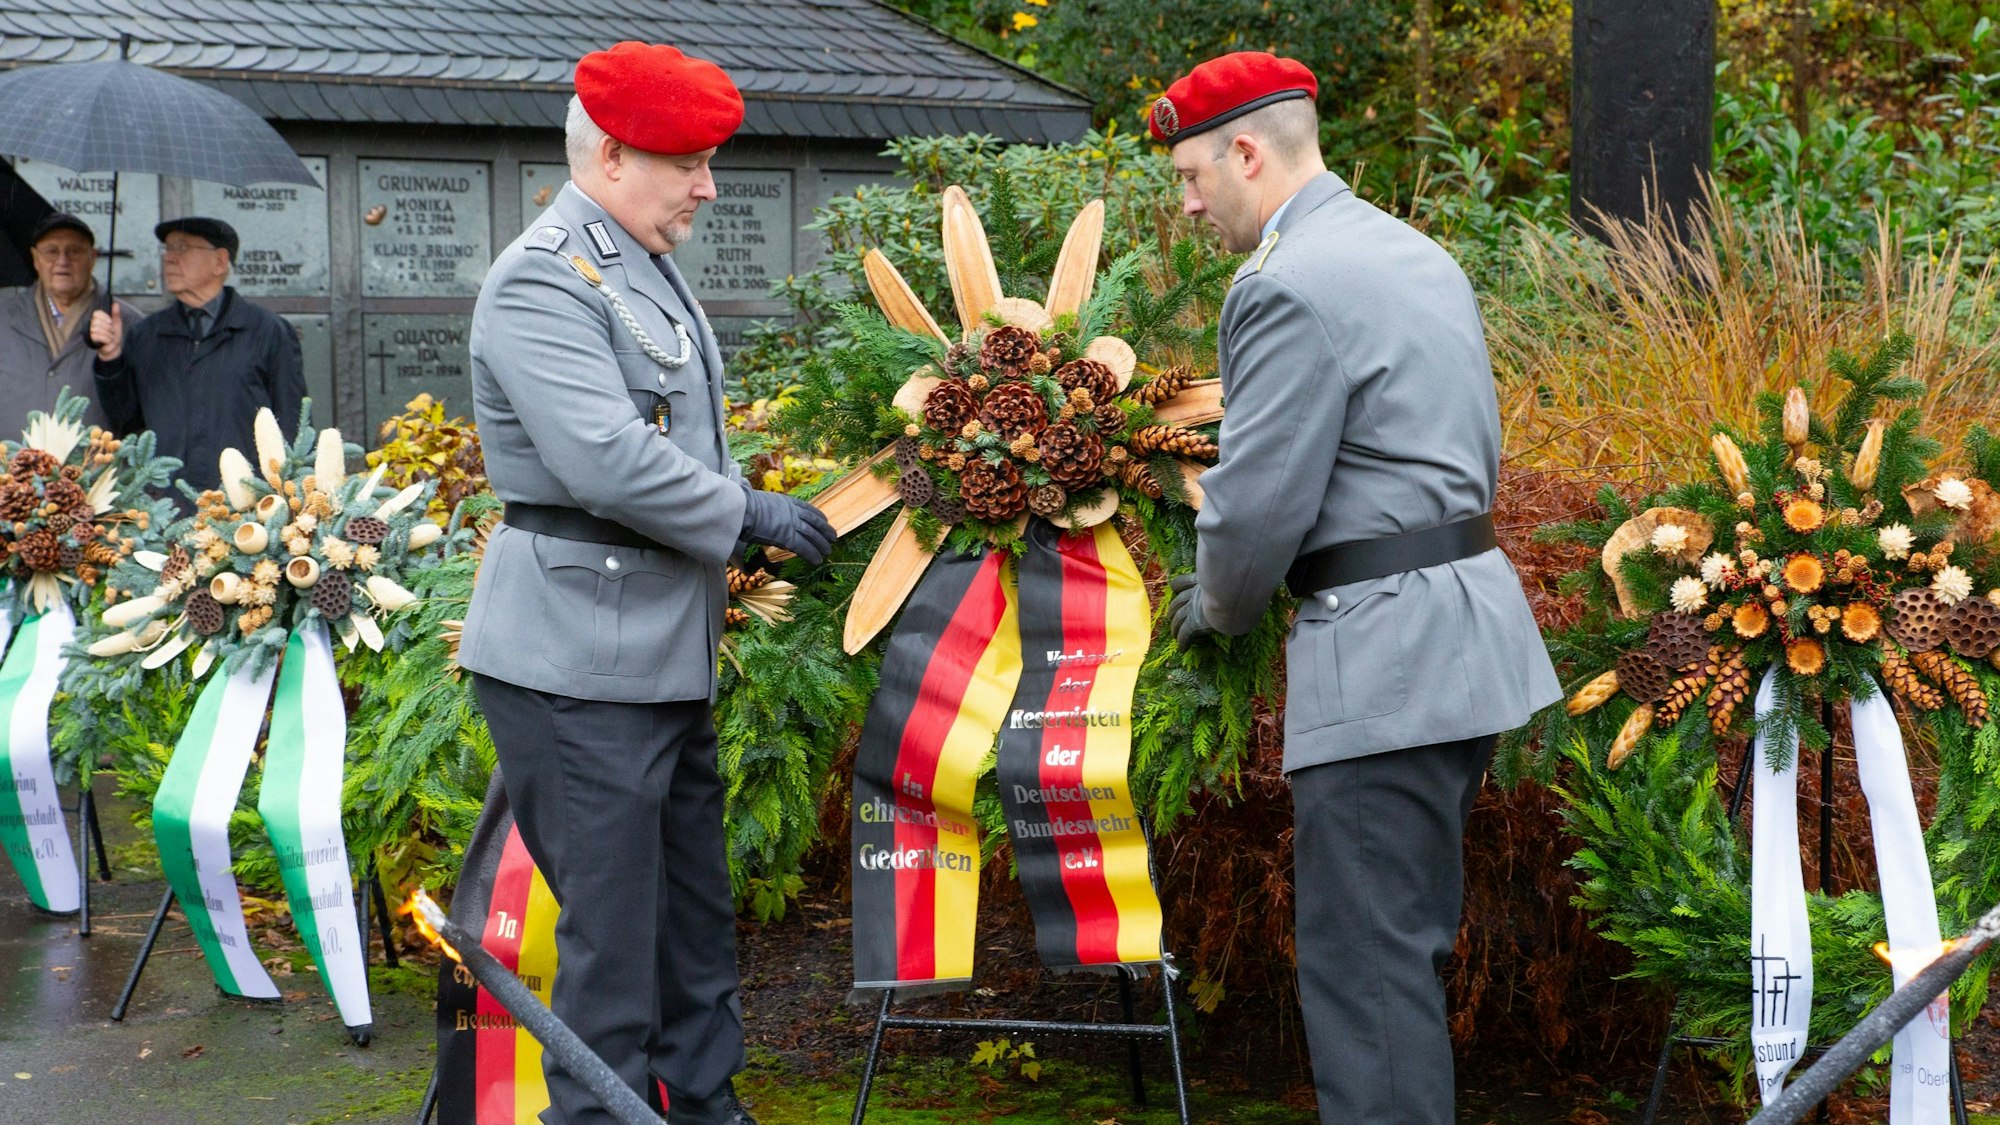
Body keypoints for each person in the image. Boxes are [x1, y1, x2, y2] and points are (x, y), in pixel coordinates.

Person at [1155, 52, 1561, 1124]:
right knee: (1398, 949)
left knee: (1366, 976)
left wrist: (1208, 610)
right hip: (1459, 637)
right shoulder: (1407, 250)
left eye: (1193, 176)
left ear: (1245, 153)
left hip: (1380, 657)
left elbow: (1253, 508)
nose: (1188, 204)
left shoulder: (1284, 282)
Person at [454, 41, 833, 1125]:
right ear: (613, 156)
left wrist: (746, 507)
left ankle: (702, 1105)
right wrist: (745, 514)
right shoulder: (544, 275)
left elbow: (676, 438)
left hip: (651, 651)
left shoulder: (630, 257)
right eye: (690, 164)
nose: (708, 188)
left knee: (690, 924)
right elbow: (605, 460)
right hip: (577, 662)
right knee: (613, 952)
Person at [88, 216, 304, 490]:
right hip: (164, 505)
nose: (169, 258)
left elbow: (291, 424)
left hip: (244, 506)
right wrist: (110, 358)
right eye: (167, 249)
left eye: (182, 247)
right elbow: (126, 421)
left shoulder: (267, 331)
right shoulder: (147, 334)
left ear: (219, 261)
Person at [0, 212, 136, 428]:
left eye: (74, 251)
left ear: (92, 257)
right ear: (35, 259)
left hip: (95, 460)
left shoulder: (131, 323)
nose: (62, 261)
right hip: (12, 459)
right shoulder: (4, 316)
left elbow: (138, 415)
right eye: (51, 251)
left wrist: (113, 361)